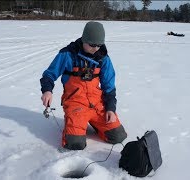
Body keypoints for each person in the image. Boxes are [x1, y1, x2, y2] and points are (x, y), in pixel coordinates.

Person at [40, 21, 127, 150]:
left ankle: (95, 124)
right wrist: (47, 91)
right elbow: (49, 75)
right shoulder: (67, 54)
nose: (95, 48)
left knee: (118, 136)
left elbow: (109, 86)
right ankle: (75, 123)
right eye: (92, 44)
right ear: (83, 40)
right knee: (75, 143)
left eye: (99, 45)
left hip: (97, 104)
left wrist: (110, 108)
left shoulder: (103, 58)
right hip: (76, 104)